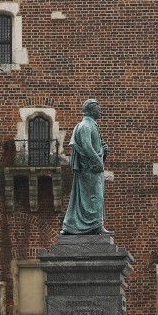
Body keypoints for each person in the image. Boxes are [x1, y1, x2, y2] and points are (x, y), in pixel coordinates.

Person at [61, 98, 108, 235]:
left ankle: (76, 225)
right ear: (92, 110)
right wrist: (97, 160)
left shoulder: (92, 125)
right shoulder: (85, 126)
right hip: (89, 168)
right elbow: (86, 146)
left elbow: (94, 146)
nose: (100, 111)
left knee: (91, 196)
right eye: (98, 108)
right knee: (95, 196)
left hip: (93, 168)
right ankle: (96, 224)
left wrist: (104, 151)